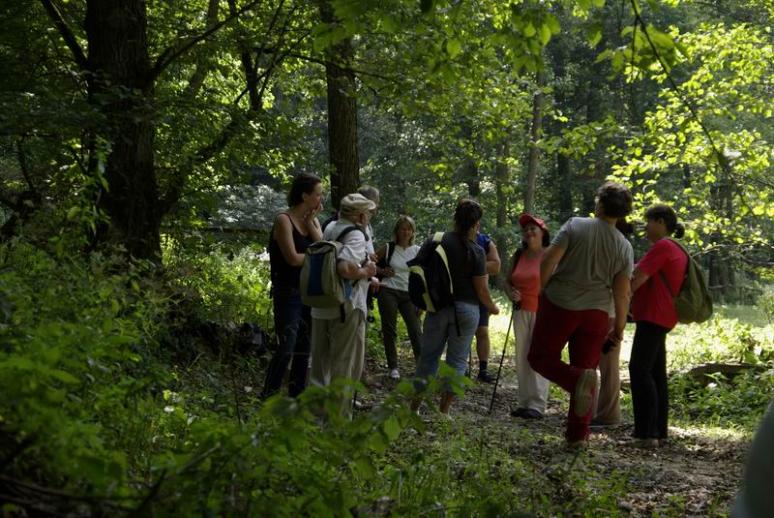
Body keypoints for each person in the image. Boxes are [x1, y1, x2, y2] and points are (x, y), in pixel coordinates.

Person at [528, 182, 634, 447]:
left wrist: (541, 290)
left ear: (598, 204)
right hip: (598, 313)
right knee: (586, 369)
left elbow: (549, 260)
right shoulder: (624, 246)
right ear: (621, 213)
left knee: (540, 357)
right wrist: (619, 327)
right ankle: (577, 437)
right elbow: (623, 293)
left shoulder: (575, 225)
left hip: (561, 304)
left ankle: (576, 381)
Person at [414, 199, 500, 414]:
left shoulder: (436, 241)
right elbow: (481, 289)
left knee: (428, 358)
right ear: (476, 224)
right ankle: (443, 412)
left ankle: (413, 408)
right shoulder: (477, 251)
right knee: (457, 362)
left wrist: (422, 300)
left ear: (455, 218)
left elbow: (418, 270)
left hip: (438, 307)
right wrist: (493, 308)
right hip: (467, 311)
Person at [309, 193, 378, 414]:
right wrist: (366, 271)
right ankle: (337, 425)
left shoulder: (330, 228)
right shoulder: (356, 235)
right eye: (368, 213)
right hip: (347, 306)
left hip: (322, 305)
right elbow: (345, 268)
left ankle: (316, 419)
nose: (369, 216)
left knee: (320, 365)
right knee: (345, 367)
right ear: (360, 216)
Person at [628, 204, 688, 448]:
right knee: (655, 373)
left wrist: (617, 299)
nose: (645, 226)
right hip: (662, 316)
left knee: (639, 370)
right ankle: (658, 430)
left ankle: (646, 433)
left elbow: (637, 278)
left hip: (653, 315)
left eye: (648, 220)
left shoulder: (663, 246)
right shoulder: (675, 248)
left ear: (661, 222)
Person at [261, 173, 323, 399]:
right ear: (305, 196)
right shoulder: (283, 220)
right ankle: (267, 397)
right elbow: (293, 258)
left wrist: (309, 223)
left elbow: (324, 250)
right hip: (288, 292)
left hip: (309, 292)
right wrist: (314, 256)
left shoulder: (312, 220)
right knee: (287, 346)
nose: (321, 199)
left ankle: (296, 398)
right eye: (318, 194)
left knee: (303, 348)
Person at [507, 214, 551, 419]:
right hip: (520, 310)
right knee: (522, 356)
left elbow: (558, 282)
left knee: (538, 355)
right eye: (526, 229)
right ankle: (524, 401)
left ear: (543, 233)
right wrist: (511, 292)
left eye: (534, 228)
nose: (529, 232)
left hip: (543, 312)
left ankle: (538, 403)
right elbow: (508, 281)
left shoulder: (550, 254)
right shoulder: (519, 255)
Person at [593, 217, 635, 427]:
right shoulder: (621, 247)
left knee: (607, 367)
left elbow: (623, 291)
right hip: (601, 311)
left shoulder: (619, 247)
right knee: (599, 366)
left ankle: (608, 415)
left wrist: (619, 324)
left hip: (608, 312)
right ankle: (594, 412)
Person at [375, 215, 422, 380]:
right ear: (397, 230)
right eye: (403, 228)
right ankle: (393, 367)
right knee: (389, 329)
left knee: (416, 329)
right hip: (388, 291)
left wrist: (421, 300)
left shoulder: (417, 250)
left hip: (409, 294)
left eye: (409, 229)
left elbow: (422, 275)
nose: (406, 232)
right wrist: (381, 271)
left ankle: (421, 365)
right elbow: (369, 262)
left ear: (412, 232)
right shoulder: (388, 248)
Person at [473, 231, 501, 383]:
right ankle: (460, 369)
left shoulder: (485, 240)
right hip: (460, 294)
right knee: (461, 333)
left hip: (482, 293)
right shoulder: (454, 237)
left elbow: (496, 266)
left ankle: (483, 370)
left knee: (482, 331)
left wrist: (473, 266)